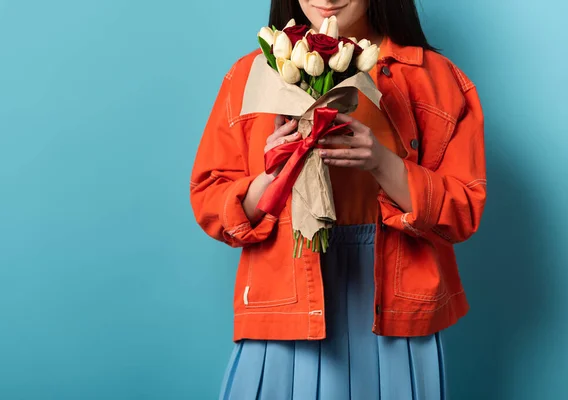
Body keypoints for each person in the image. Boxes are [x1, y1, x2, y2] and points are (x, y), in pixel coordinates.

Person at [189, 0, 486, 398]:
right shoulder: (250, 75)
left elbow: (463, 210)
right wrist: (272, 175)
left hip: (395, 306)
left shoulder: (437, 78)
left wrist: (382, 163)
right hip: (286, 297)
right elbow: (212, 204)